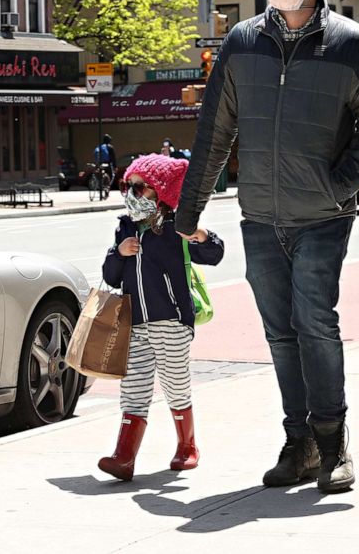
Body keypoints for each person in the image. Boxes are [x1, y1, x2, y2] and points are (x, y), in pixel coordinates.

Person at [175, 0, 359, 493]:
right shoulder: (242, 42)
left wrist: (340, 184)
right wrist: (188, 210)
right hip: (260, 218)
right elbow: (215, 130)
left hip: (323, 217)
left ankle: (332, 445)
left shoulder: (351, 43)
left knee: (314, 324)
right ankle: (297, 443)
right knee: (280, 334)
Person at [99, 154, 224, 481]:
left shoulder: (174, 225)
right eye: (128, 186)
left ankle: (188, 447)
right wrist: (118, 253)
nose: (131, 193)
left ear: (160, 190)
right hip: (135, 322)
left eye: (140, 187)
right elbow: (111, 277)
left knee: (175, 383)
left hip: (170, 318)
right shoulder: (125, 226)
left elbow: (214, 253)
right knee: (134, 387)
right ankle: (123, 456)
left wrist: (199, 234)